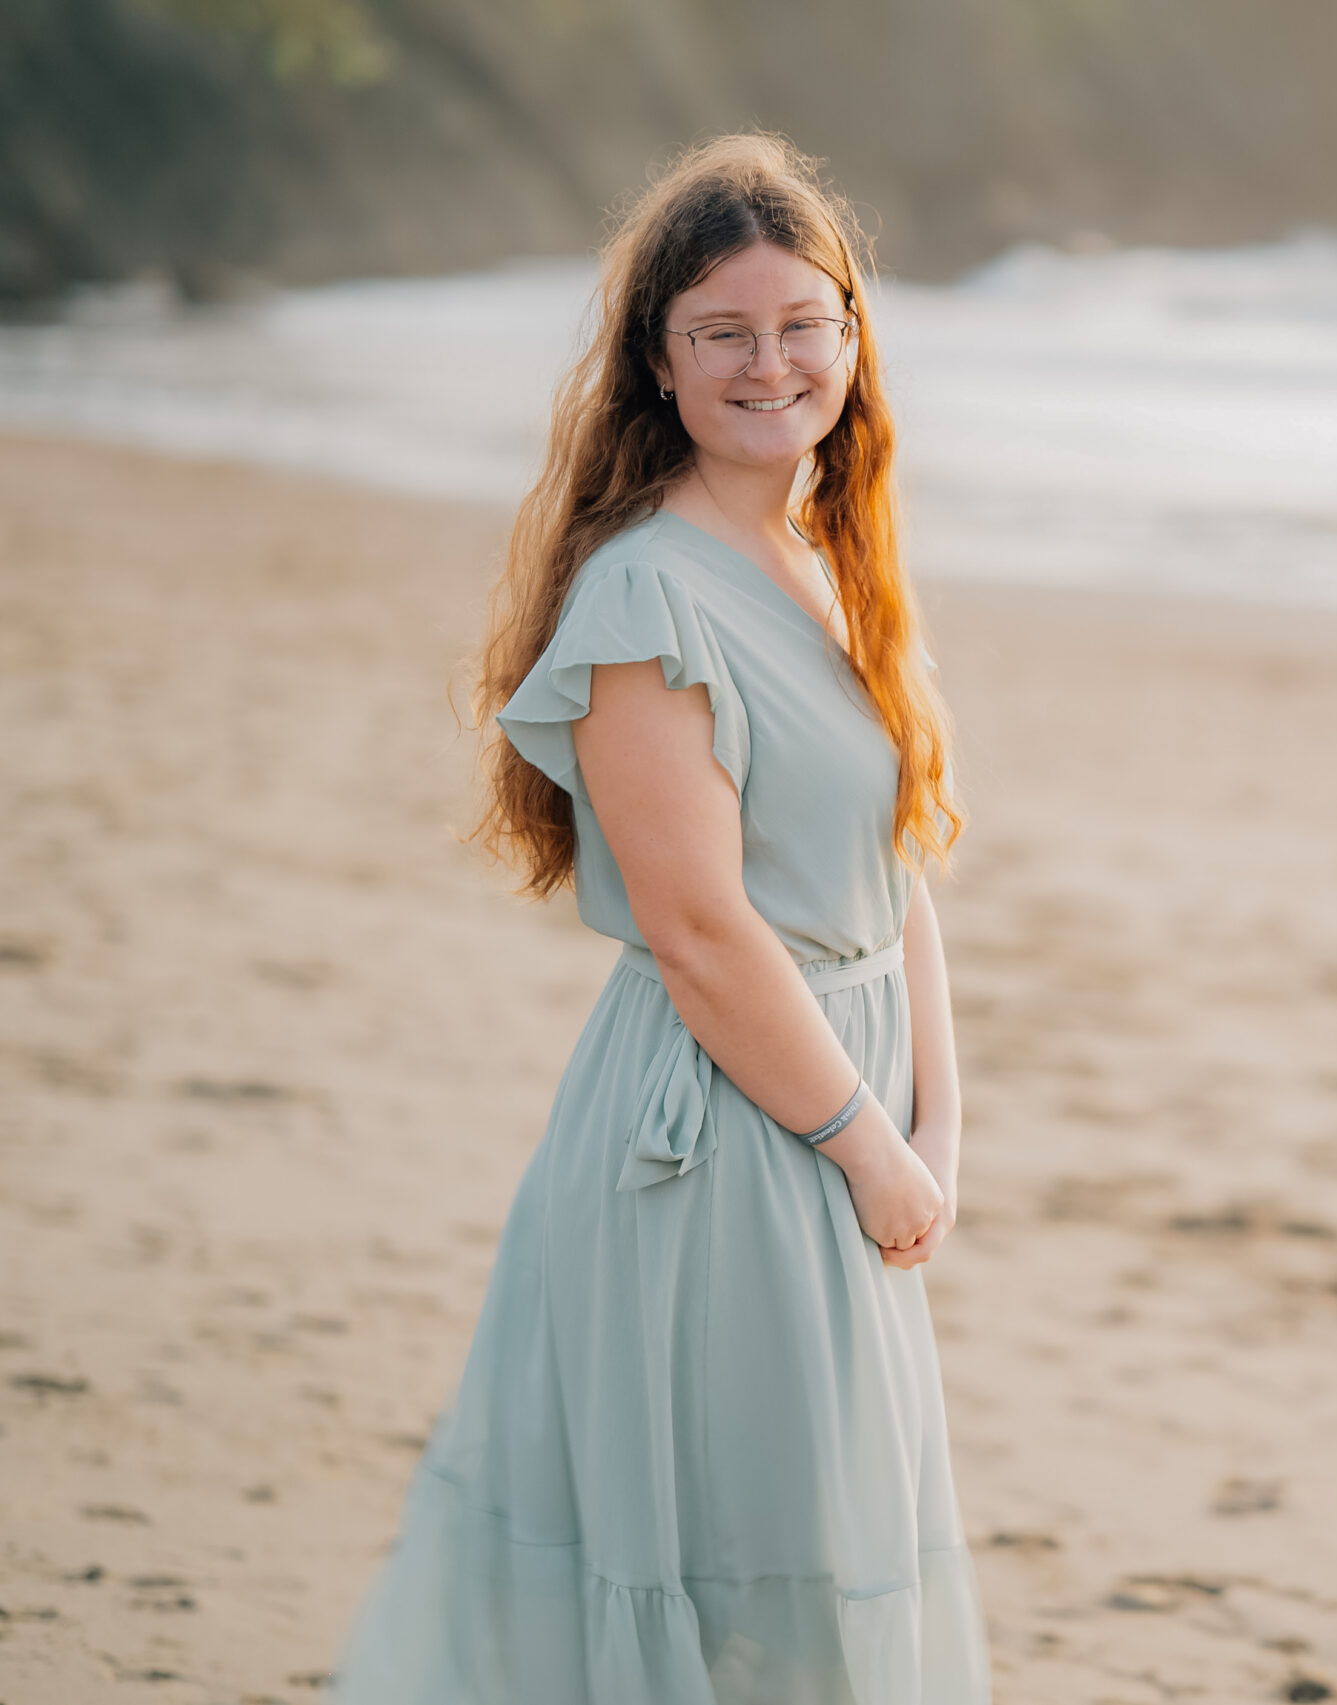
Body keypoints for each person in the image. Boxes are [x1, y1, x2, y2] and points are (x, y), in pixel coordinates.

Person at [330, 133, 991, 1703]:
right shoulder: (646, 597)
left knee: (823, 1564)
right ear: (661, 362)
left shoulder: (829, 559)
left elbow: (892, 870)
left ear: (850, 333)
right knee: (735, 1573)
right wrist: (866, 1141)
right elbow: (698, 931)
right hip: (722, 1135)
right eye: (724, 333)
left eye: (802, 324)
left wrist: (941, 1121)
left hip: (841, 1113)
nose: (772, 364)